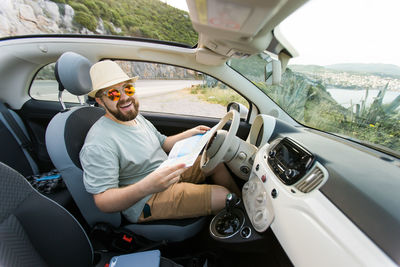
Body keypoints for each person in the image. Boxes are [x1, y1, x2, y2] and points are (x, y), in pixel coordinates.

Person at [80, 60, 241, 223]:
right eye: (113, 94)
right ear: (100, 101)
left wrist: (191, 133)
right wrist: (148, 186)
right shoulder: (98, 143)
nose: (124, 98)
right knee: (223, 196)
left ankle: (243, 208)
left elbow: (163, 143)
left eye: (128, 89)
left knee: (214, 161)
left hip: (165, 170)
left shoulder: (135, 117)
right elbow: (103, 201)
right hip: (146, 199)